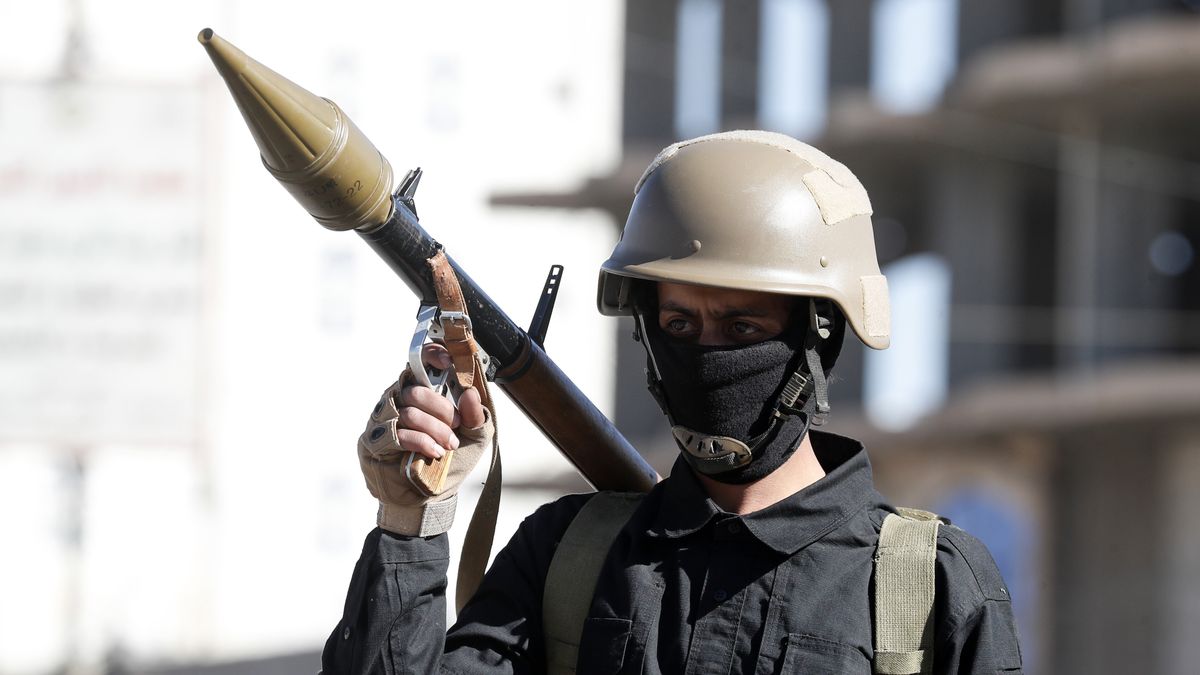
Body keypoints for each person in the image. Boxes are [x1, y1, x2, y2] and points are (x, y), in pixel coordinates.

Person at [320, 131, 1023, 674]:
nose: (706, 352)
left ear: (819, 338)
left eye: (743, 327)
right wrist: (410, 522)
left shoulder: (926, 586)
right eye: (680, 324)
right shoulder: (570, 557)